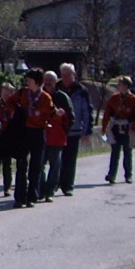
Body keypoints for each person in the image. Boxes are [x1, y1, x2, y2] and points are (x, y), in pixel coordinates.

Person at [12, 70, 56, 208]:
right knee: (21, 164)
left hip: (38, 132)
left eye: (29, 80)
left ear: (37, 81)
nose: (27, 82)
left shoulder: (46, 97)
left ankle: (32, 197)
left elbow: (51, 113)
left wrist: (44, 119)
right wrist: (16, 113)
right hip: (24, 131)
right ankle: (20, 197)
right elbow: (10, 102)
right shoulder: (23, 93)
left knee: (36, 165)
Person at [56, 63, 94, 195]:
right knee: (56, 159)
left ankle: (68, 186)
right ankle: (55, 183)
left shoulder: (81, 91)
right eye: (63, 75)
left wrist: (87, 131)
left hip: (75, 130)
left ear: (74, 75)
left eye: (68, 75)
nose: (65, 77)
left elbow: (87, 111)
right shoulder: (56, 89)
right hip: (58, 130)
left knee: (70, 159)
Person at [102, 76, 135, 183]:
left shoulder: (133, 99)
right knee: (115, 152)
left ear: (126, 86)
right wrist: (104, 127)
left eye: (120, 84)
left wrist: (133, 128)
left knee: (127, 152)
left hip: (127, 128)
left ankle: (128, 175)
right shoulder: (114, 98)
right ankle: (111, 175)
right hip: (116, 128)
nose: (118, 86)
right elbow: (107, 113)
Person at [0, 79, 22, 200]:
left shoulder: (15, 105)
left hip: (9, 136)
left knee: (7, 163)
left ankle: (7, 187)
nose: (6, 95)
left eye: (8, 93)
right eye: (4, 92)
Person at [39, 75, 72, 204]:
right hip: (41, 136)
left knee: (55, 166)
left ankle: (50, 191)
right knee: (39, 165)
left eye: (50, 80)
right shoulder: (38, 96)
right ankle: (41, 189)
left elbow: (70, 117)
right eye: (46, 80)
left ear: (55, 82)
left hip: (57, 138)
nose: (48, 83)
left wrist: (64, 132)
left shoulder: (62, 97)